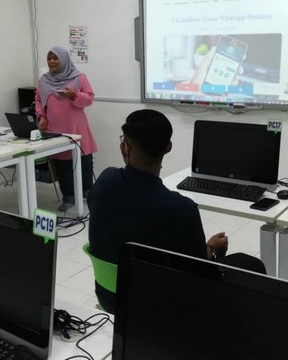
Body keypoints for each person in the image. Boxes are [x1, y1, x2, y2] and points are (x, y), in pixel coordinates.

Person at [88, 109, 265, 313]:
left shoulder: (105, 181)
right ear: (168, 147)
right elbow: (200, 270)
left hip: (110, 295)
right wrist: (210, 248)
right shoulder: (180, 208)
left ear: (124, 148)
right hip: (159, 306)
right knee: (251, 264)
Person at [35, 46, 97, 211]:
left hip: (77, 129)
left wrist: (73, 94)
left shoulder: (79, 78)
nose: (52, 61)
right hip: (55, 130)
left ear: (64, 60)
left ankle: (87, 193)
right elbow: (39, 101)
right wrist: (41, 117)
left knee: (84, 163)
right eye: (49, 58)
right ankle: (68, 197)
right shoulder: (44, 81)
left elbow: (89, 98)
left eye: (56, 58)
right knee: (63, 165)